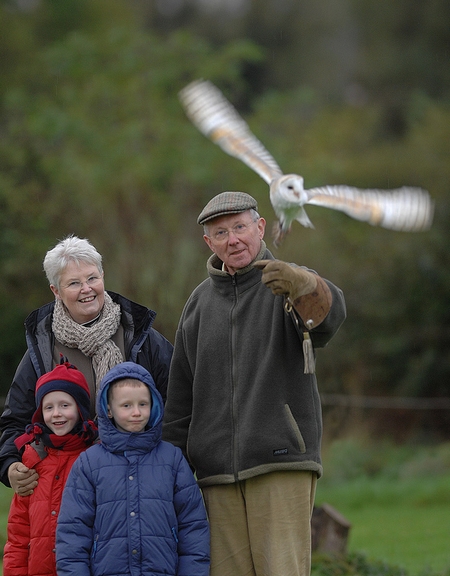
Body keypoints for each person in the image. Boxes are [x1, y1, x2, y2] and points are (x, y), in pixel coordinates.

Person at [162, 191, 347, 576]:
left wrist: (305, 287)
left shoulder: (288, 283)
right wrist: (171, 473)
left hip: (280, 463)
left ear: (260, 227)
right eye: (221, 232)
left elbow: (330, 319)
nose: (233, 240)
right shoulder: (197, 305)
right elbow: (179, 402)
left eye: (240, 227)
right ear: (208, 242)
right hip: (214, 477)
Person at [0, 235, 173, 496]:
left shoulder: (139, 336)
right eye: (74, 283)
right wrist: (10, 465)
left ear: (103, 276)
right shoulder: (43, 347)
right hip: (68, 487)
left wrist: (164, 460)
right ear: (56, 291)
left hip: (138, 478)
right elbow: (15, 419)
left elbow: (178, 403)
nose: (86, 289)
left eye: (92, 278)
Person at [56, 361, 210, 576]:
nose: (136, 412)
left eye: (143, 404)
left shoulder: (172, 459)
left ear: (154, 405)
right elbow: (73, 532)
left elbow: (193, 527)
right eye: (126, 405)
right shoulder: (88, 464)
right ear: (109, 410)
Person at [3, 360, 98, 576]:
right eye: (49, 407)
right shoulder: (32, 460)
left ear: (81, 409)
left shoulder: (94, 461)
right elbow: (18, 534)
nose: (56, 413)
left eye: (65, 405)